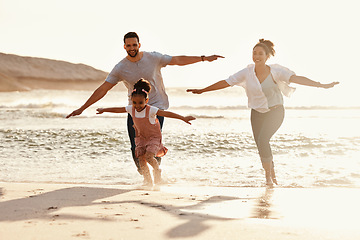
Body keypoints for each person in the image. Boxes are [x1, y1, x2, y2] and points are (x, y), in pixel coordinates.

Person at [187, 39, 339, 187]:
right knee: (260, 144)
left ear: (267, 56)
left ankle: (268, 178)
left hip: (276, 112)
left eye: (260, 54)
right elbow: (226, 82)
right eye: (254, 53)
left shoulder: (276, 71)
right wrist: (202, 90)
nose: (257, 56)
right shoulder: (247, 72)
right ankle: (270, 173)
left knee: (263, 139)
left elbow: (297, 79)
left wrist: (321, 85)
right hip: (257, 113)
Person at [66, 32, 223, 174]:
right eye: (129, 45)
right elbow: (103, 89)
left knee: (153, 143)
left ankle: (156, 171)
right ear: (124, 47)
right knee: (136, 147)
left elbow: (177, 60)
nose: (132, 48)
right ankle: (145, 175)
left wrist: (203, 58)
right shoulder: (120, 68)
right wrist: (82, 108)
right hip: (135, 109)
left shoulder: (153, 58)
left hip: (156, 106)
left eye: (134, 45)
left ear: (139, 45)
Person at [96, 79, 195, 187]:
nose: (137, 105)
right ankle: (148, 181)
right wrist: (104, 109)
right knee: (141, 160)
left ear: (146, 100)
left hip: (154, 138)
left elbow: (166, 113)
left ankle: (157, 170)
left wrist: (183, 118)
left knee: (149, 157)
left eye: (140, 103)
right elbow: (118, 109)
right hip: (141, 138)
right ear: (131, 100)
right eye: (134, 102)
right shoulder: (131, 109)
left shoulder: (151, 110)